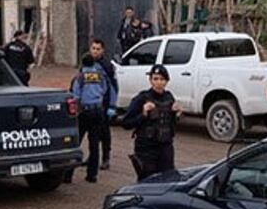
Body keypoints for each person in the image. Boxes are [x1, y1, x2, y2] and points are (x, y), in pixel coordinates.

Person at [122, 64, 182, 181]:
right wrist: (143, 114)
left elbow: (171, 125)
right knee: (147, 182)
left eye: (162, 79)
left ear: (167, 81)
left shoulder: (169, 98)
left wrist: (176, 114)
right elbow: (126, 123)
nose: (159, 82)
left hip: (165, 148)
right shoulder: (142, 98)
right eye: (155, 79)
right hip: (146, 149)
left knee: (168, 180)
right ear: (150, 80)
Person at [67, 53, 116, 183]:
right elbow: (106, 90)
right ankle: (92, 175)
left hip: (84, 112)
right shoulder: (100, 75)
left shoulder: (79, 77)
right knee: (94, 145)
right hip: (98, 111)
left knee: (75, 143)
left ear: (82, 64)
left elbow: (75, 96)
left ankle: (67, 175)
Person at [88, 37, 117, 170]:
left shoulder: (107, 66)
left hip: (103, 105)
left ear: (103, 50)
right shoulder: (86, 63)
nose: (95, 51)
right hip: (89, 105)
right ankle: (92, 157)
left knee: (104, 133)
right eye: (93, 48)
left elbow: (113, 87)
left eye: (98, 49)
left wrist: (112, 105)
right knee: (91, 134)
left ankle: (106, 158)